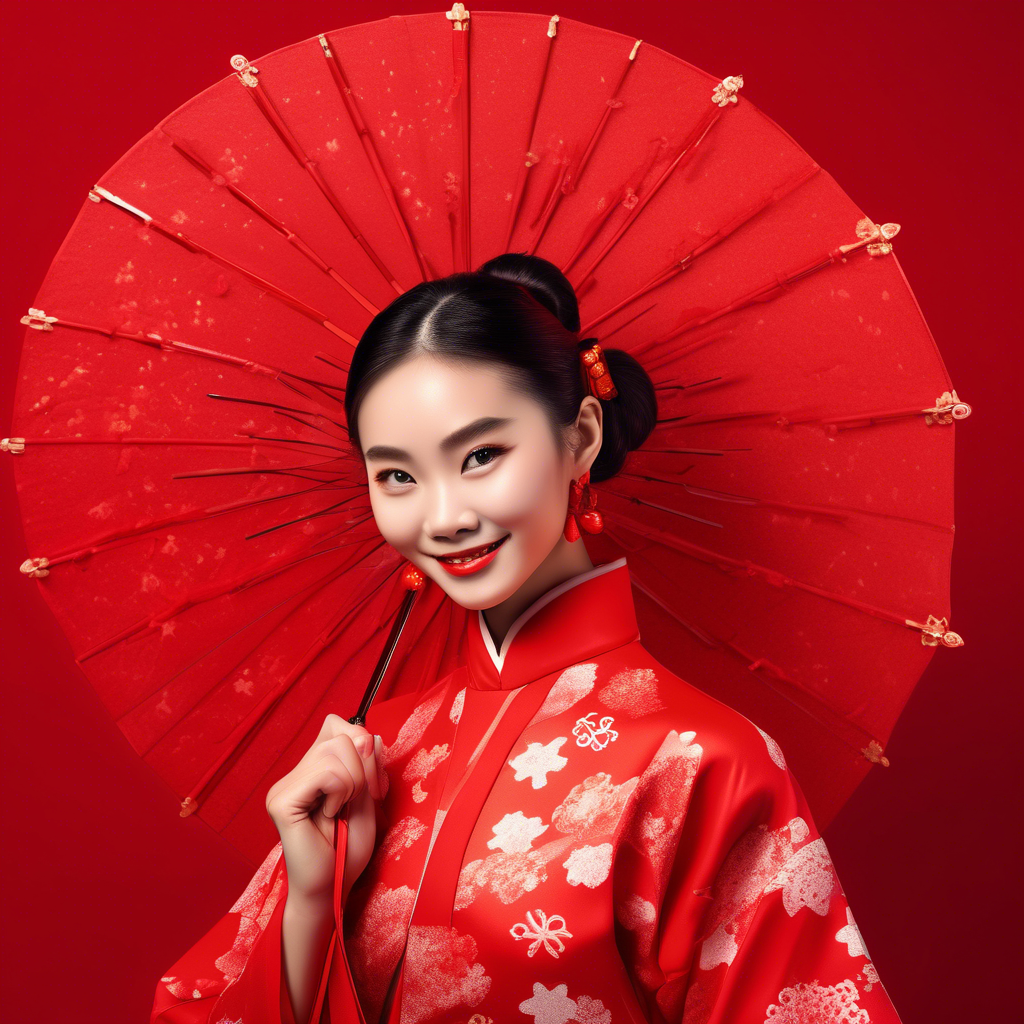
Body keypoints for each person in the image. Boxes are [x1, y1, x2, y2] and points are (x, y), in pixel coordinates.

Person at [150, 253, 903, 1024]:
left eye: (480, 456)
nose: (442, 518)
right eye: (397, 477)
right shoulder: (374, 755)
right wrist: (312, 896)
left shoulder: (702, 762)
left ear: (579, 436)